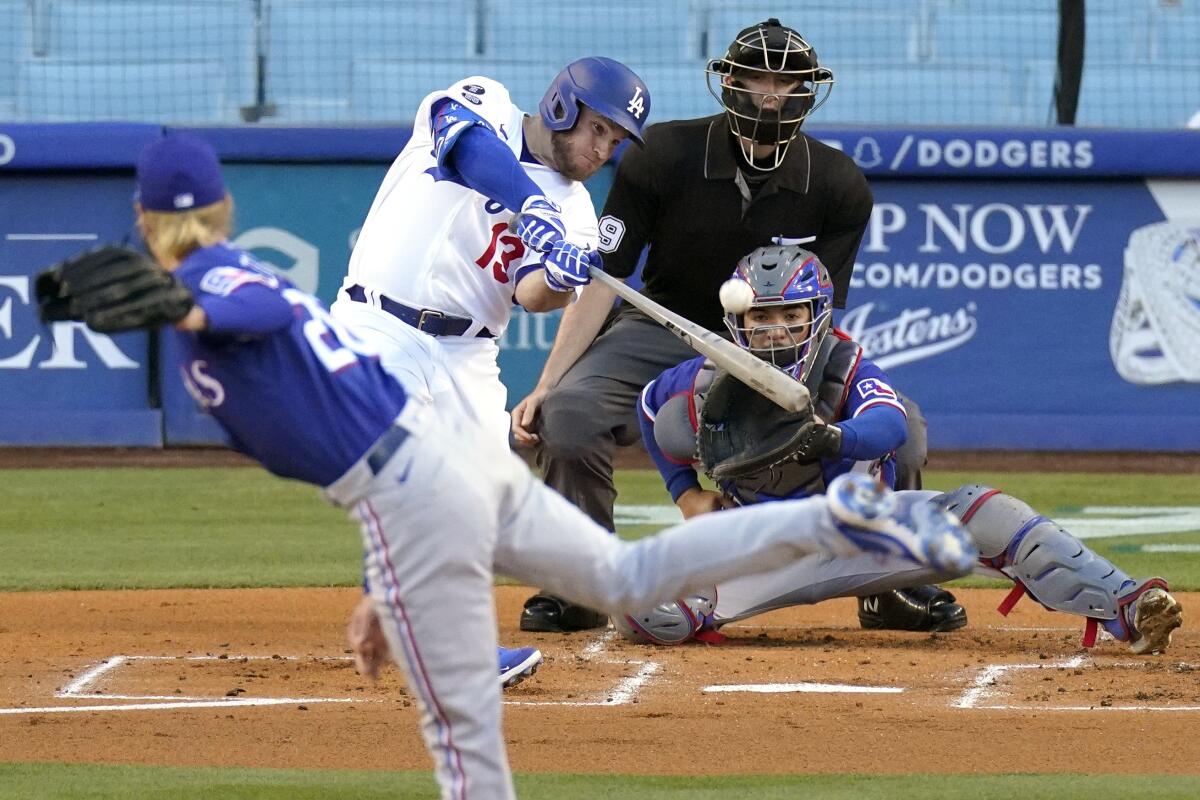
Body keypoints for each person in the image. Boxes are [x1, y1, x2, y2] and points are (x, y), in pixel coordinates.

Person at [44, 134, 978, 800]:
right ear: (224, 208)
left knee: (460, 726)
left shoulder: (224, 286)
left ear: (146, 216)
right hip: (439, 470)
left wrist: (195, 311)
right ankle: (838, 523)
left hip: (411, 491)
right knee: (621, 576)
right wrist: (388, 587)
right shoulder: (218, 276)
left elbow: (263, 315)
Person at [511, 18, 946, 633]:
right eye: (757, 80)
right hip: (663, 325)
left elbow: (821, 311)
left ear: (807, 94)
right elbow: (599, 281)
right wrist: (549, 382)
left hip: (780, 343)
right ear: (729, 83)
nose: (771, 96)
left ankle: (889, 584)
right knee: (569, 414)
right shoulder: (662, 154)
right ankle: (581, 584)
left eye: (786, 84)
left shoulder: (840, 185)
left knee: (903, 426)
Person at [620, 245, 1183, 657]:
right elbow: (649, 408)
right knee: (644, 611)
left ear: (817, 317)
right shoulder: (705, 377)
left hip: (869, 533)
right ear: (739, 322)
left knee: (989, 513)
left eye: (791, 317)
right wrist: (686, 494)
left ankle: (1128, 605)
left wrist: (834, 437)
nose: (776, 333)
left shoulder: (842, 364)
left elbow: (889, 424)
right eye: (762, 318)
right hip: (757, 546)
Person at [330, 56, 650, 449]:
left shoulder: (577, 211)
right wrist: (532, 203)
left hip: (468, 354)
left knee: (491, 499)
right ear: (562, 106)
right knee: (398, 473)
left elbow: (532, 296)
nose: (602, 150)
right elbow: (465, 143)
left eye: (614, 141)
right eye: (597, 129)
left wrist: (557, 278)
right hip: (379, 325)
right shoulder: (490, 103)